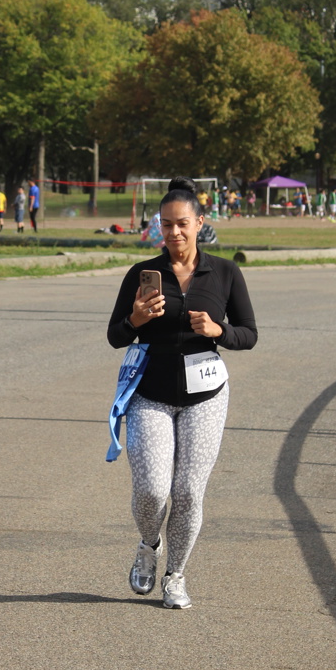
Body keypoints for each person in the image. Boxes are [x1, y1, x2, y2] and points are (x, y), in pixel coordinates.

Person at [107, 177, 258, 609]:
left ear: (200, 223)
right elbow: (115, 336)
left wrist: (218, 330)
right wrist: (136, 320)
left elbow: (249, 334)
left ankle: (175, 575)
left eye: (182, 224)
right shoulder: (140, 274)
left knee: (189, 491)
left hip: (205, 396)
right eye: (167, 224)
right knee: (153, 490)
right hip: (150, 394)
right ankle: (148, 544)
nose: (174, 233)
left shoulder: (225, 272)